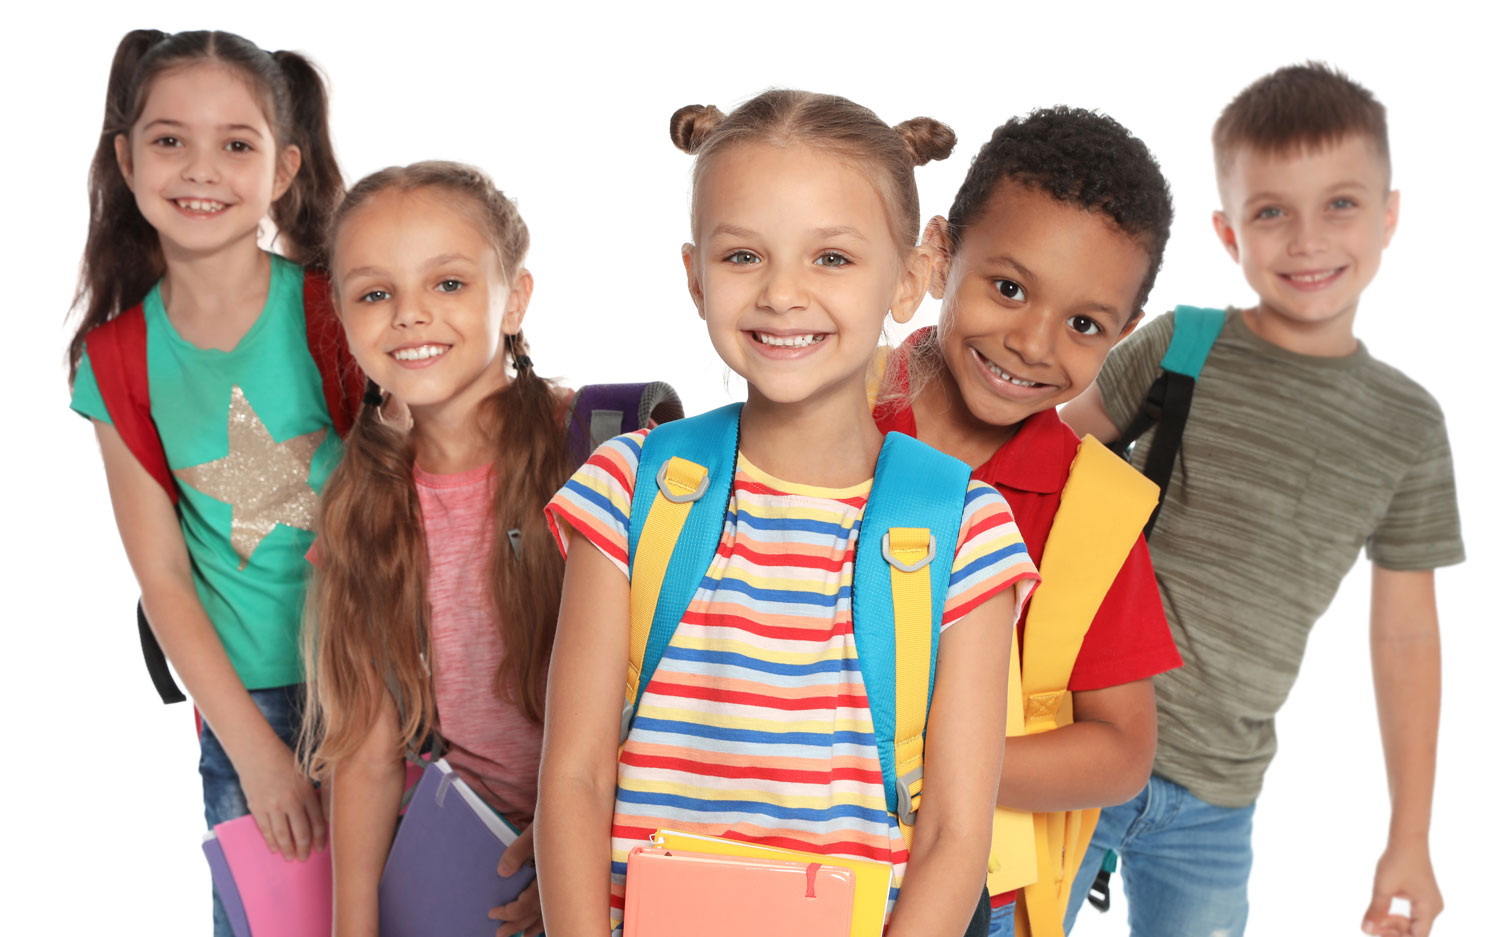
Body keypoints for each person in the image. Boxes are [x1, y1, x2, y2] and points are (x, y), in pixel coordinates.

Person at [536, 89, 1040, 937]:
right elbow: (575, 778)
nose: (781, 294)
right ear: (695, 276)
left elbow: (957, 827)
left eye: (831, 259)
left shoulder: (962, 529)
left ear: (911, 279)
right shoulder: (628, 487)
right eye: (743, 257)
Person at [1061, 63, 1463, 937]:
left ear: (1390, 214)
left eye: (1342, 204)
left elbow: (1406, 637)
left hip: (1217, 803)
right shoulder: (1182, 345)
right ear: (1228, 229)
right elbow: (1037, 460)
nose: (1307, 239)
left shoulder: (1407, 425)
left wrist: (1411, 837)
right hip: (1073, 741)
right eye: (1272, 210)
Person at [872, 107, 1183, 937]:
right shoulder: (825, 403)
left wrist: (933, 768)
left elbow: (1121, 750)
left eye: (1085, 324)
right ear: (938, 257)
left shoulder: (1092, 511)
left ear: (1119, 336)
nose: (1033, 343)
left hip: (979, 893)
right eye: (1008, 287)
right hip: (767, 845)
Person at [66, 29, 345, 936]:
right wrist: (256, 754)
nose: (201, 169)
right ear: (127, 158)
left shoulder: (336, 305)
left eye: (237, 143)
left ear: (283, 167)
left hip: (386, 679)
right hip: (247, 702)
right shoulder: (115, 361)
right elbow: (166, 581)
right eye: (169, 139)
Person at [302, 162, 568, 937]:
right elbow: (364, 752)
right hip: (467, 857)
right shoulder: (364, 503)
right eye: (376, 293)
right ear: (344, 317)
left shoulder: (598, 451)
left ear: (514, 297)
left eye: (447, 283)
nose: (410, 316)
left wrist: (577, 855)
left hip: (607, 847)